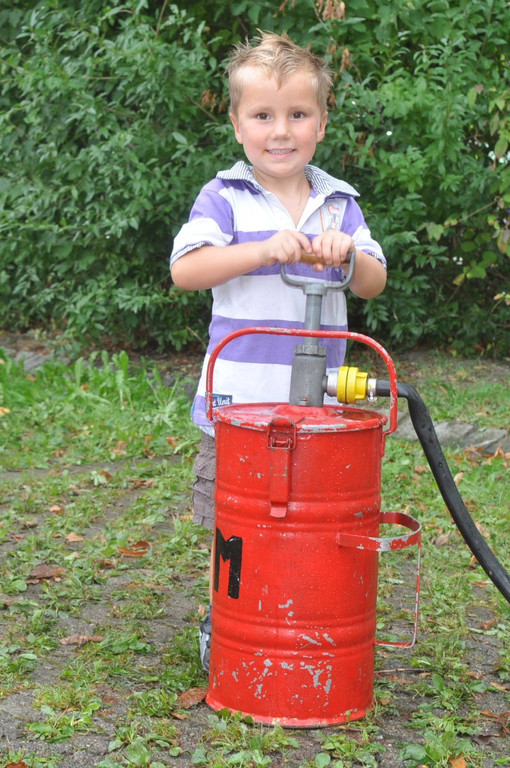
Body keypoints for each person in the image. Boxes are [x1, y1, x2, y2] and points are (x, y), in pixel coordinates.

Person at [170, 31, 387, 671]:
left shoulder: (339, 204)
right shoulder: (224, 198)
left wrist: (348, 257)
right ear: (238, 124)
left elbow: (374, 281)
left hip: (319, 411)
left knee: (311, 518)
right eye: (263, 115)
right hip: (238, 408)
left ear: (321, 122)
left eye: (297, 114)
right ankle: (228, 616)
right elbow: (187, 269)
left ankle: (299, 613)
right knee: (236, 522)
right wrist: (263, 249)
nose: (281, 131)